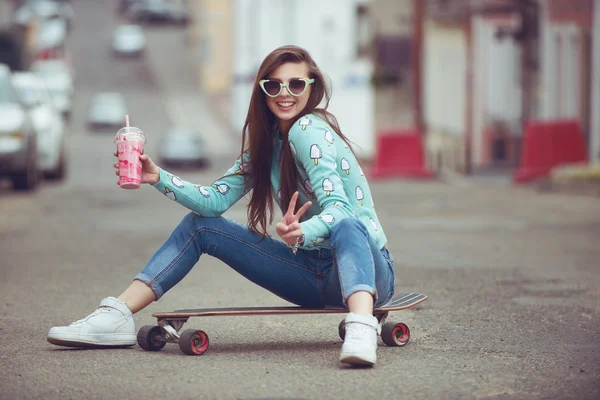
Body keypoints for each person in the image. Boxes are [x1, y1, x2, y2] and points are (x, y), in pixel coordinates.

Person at [47, 45, 395, 367]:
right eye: (273, 86)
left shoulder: (310, 128)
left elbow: (342, 210)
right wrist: (158, 177)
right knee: (201, 226)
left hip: (366, 267)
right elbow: (213, 202)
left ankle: (362, 327)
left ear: (312, 85)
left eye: (295, 84)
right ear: (262, 91)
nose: (285, 93)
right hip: (311, 273)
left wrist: (303, 230)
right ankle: (117, 314)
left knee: (349, 226)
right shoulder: (267, 146)